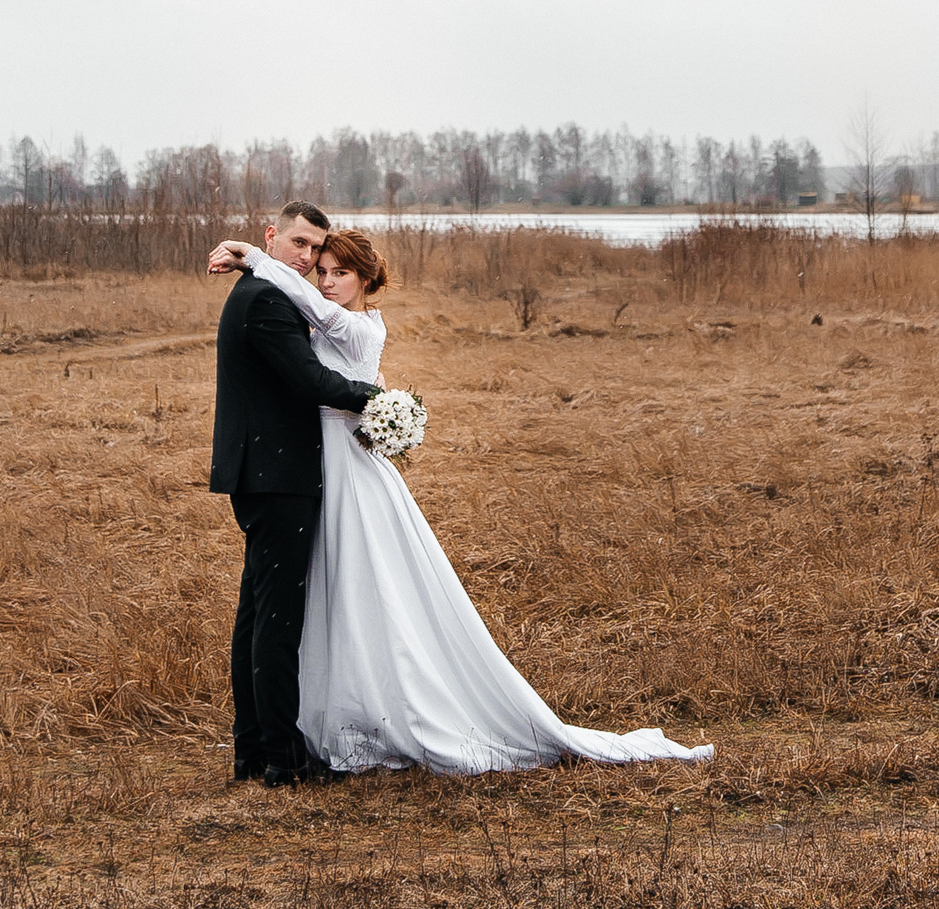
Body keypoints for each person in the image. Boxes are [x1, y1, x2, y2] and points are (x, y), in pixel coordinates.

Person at [207, 223, 713, 776]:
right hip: (311, 469)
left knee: (352, 585)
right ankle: (299, 732)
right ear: (279, 235)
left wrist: (256, 257)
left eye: (338, 272)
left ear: (367, 279)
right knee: (314, 598)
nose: (323, 280)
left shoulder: (348, 322)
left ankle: (328, 728)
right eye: (318, 267)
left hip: (337, 467)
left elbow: (315, 340)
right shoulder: (285, 303)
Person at [208, 201, 383, 787]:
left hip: (267, 474)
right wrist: (380, 402)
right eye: (299, 244)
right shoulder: (264, 300)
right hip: (276, 477)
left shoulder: (265, 291)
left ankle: (253, 750)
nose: (308, 258)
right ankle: (283, 759)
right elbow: (310, 382)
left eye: (316, 248)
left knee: (258, 612)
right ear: (272, 238)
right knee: (276, 620)